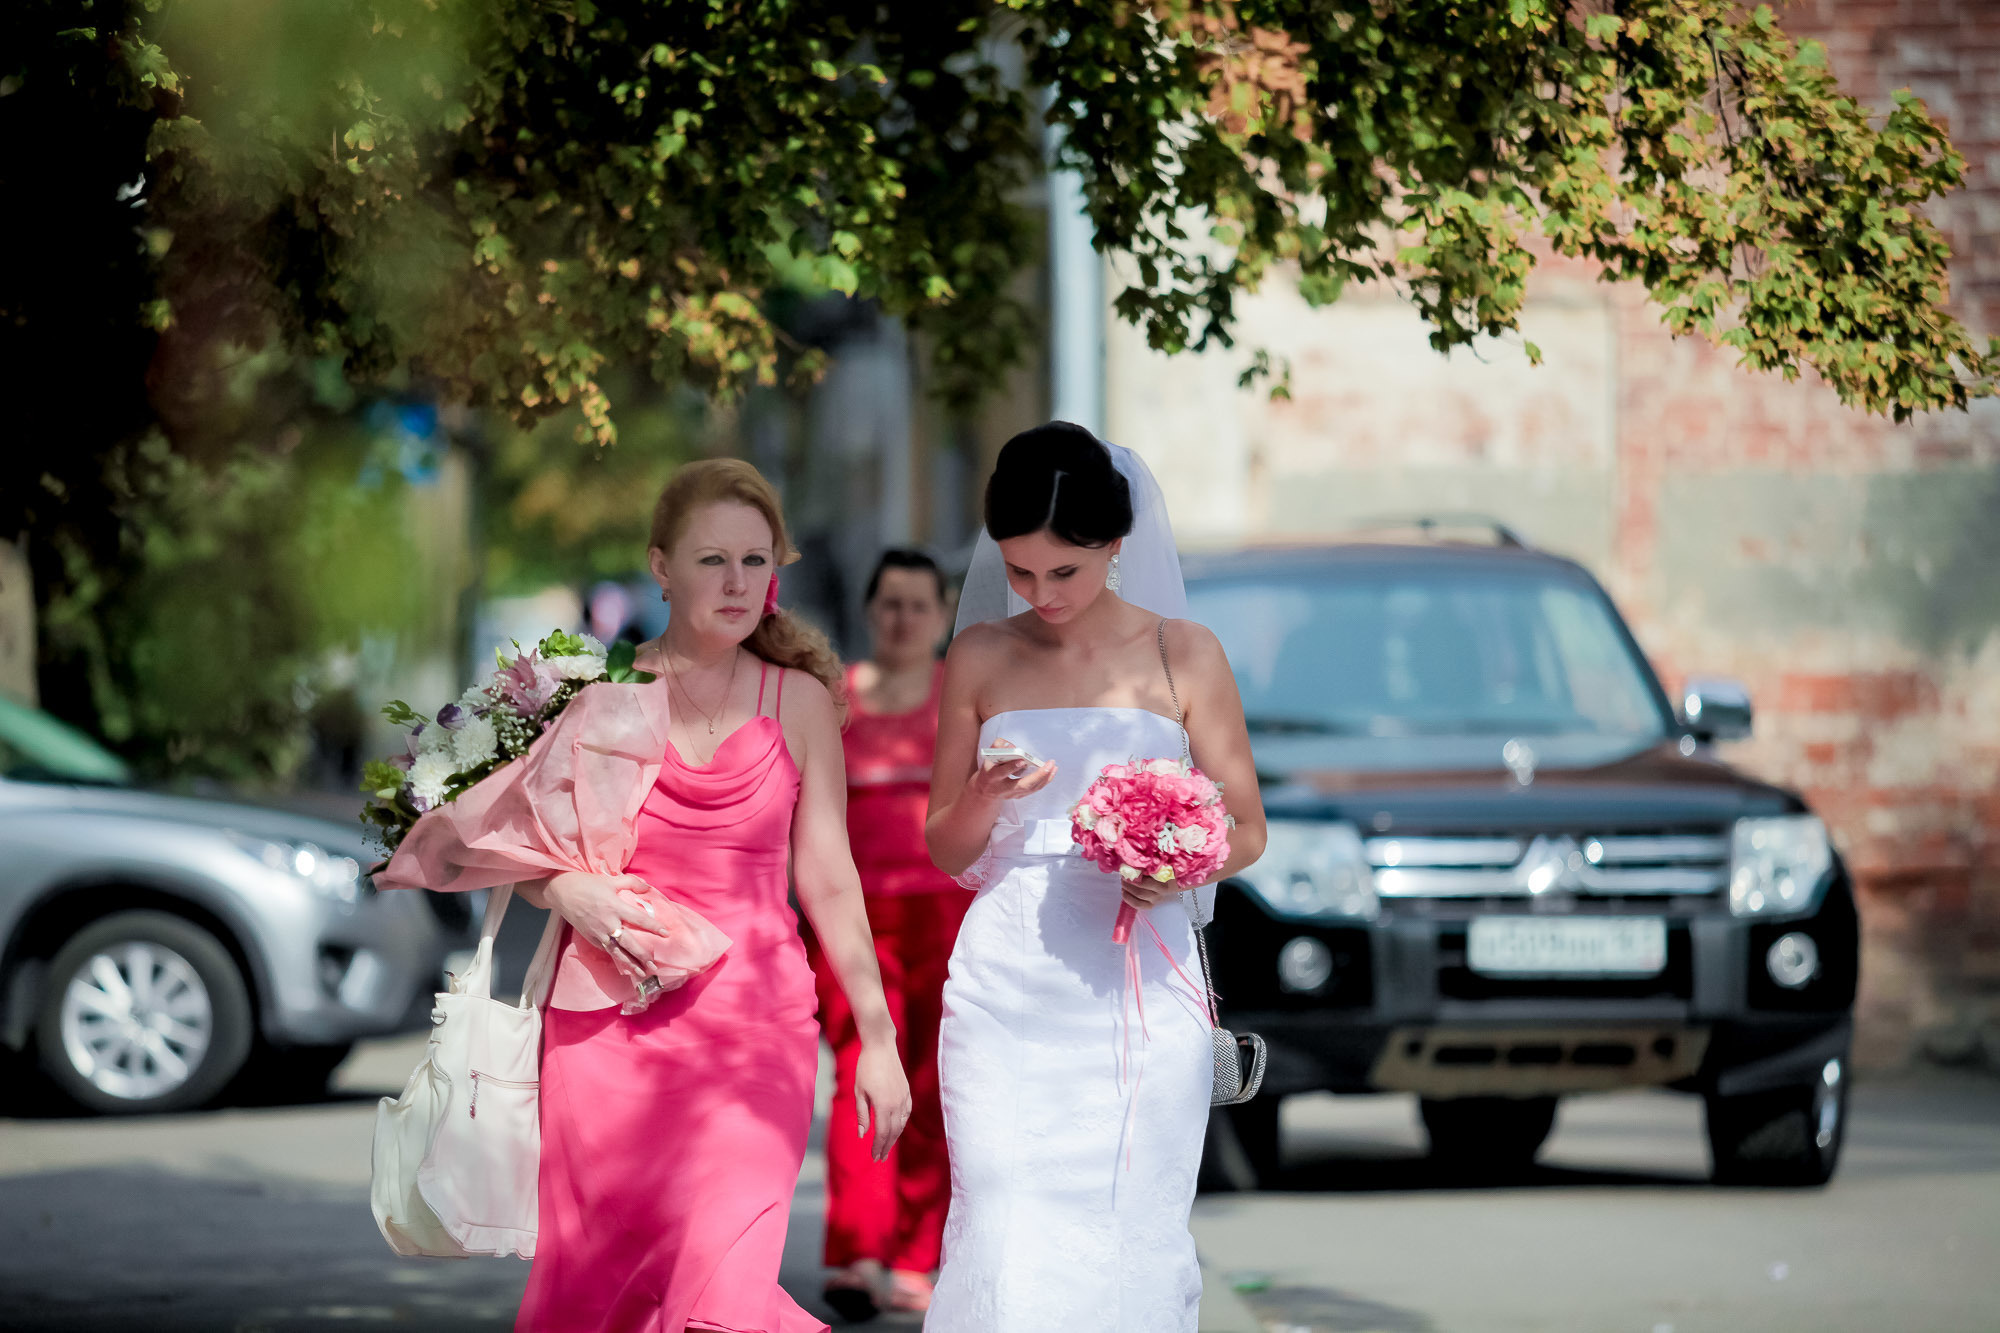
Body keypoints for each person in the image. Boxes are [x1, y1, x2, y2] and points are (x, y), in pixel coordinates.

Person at [383, 458, 912, 1333]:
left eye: (756, 559)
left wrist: (879, 1038)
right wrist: (564, 886)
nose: (739, 582)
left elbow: (829, 876)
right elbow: (490, 837)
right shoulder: (589, 695)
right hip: (604, 1033)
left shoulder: (804, 701)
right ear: (660, 566)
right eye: (713, 560)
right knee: (600, 1300)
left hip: (757, 1029)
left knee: (724, 1296)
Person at [922, 423, 1269, 1330]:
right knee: (1000, 1212)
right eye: (1019, 572)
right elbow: (946, 849)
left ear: (1115, 545)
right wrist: (986, 795)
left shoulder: (1183, 653)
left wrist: (1180, 860)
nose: (1040, 595)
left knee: (1132, 1221)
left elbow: (1249, 827)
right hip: (1008, 969)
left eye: (1062, 572)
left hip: (1144, 970)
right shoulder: (982, 654)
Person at [805, 548, 964, 1319]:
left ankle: (916, 1255)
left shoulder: (959, 694)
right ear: (871, 612)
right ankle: (855, 1252)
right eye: (890, 604)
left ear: (941, 616)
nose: (903, 619)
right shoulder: (835, 699)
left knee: (934, 1080)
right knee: (858, 1073)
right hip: (852, 918)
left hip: (946, 912)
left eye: (918, 605)